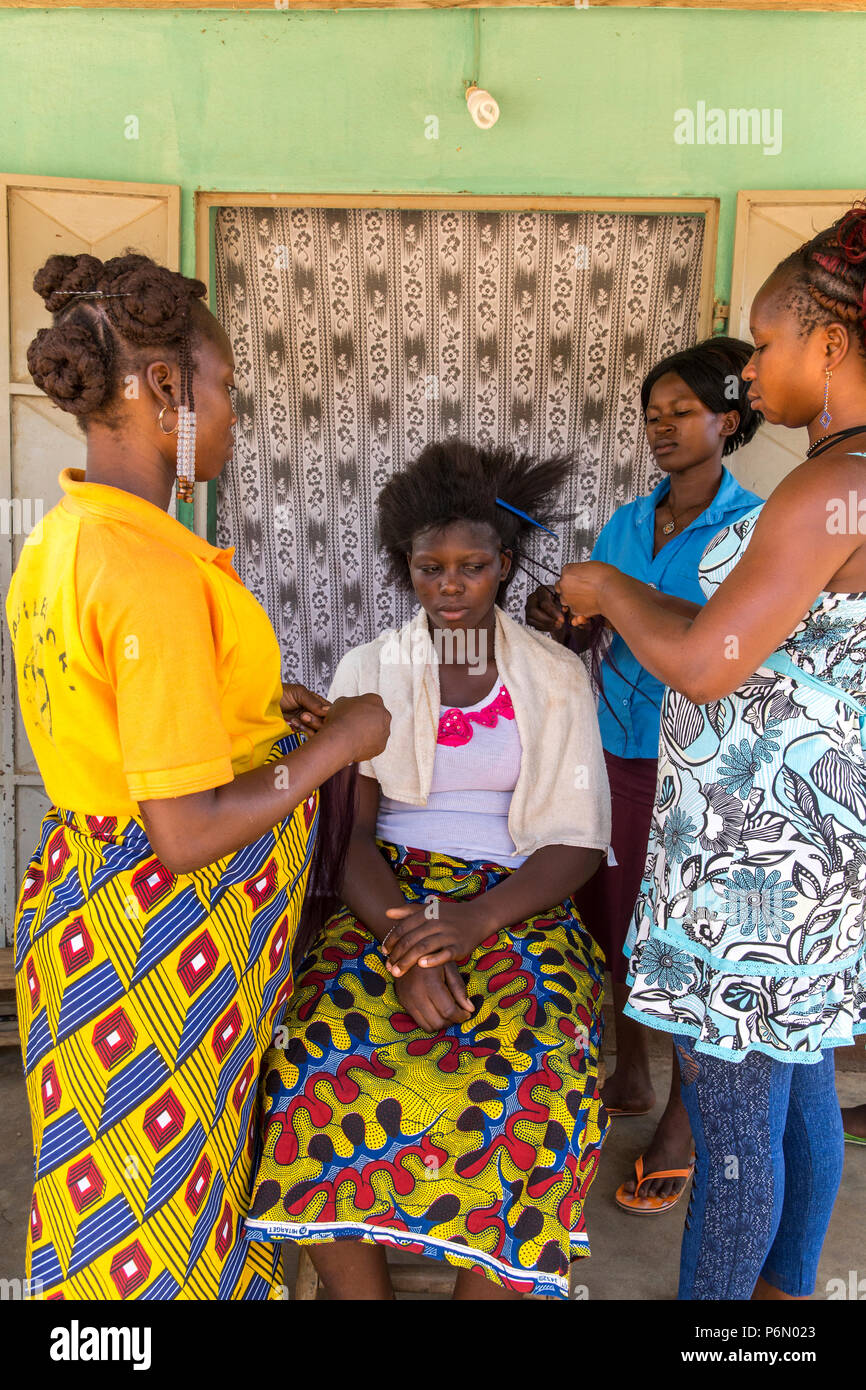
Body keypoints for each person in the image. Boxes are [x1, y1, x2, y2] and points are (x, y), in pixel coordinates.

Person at [6, 251, 389, 1300]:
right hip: (159, 949)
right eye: (224, 392)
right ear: (167, 389)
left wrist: (265, 716)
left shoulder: (66, 538)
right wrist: (335, 744)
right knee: (161, 1212)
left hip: (106, 916)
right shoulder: (150, 572)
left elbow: (131, 723)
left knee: (120, 1188)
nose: (232, 419)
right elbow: (181, 829)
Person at [556, 204, 866, 1299]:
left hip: (757, 876)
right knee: (792, 1101)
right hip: (812, 857)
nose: (754, 367)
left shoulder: (829, 488)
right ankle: (780, 1307)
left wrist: (601, 588)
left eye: (768, 342)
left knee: (733, 1145)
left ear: (828, 344)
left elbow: (703, 659)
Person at [244, 441, 612, 1300]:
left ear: (505, 567)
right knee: (317, 1056)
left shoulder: (555, 677)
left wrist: (474, 922)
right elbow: (347, 834)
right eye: (428, 567)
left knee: (543, 1064)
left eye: (472, 567)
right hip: (386, 893)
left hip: (515, 896)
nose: (449, 585)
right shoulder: (370, 670)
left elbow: (577, 839)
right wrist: (411, 939)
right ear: (403, 567)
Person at [526, 338, 762, 1214]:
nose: (661, 429)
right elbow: (601, 629)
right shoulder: (629, 523)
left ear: (727, 421)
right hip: (617, 752)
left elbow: (728, 646)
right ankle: (629, 1072)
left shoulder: (755, 529)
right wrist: (564, 617)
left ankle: (681, 1127)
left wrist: (623, 603)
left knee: (690, 944)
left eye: (682, 414)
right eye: (652, 416)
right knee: (620, 927)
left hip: (709, 771)